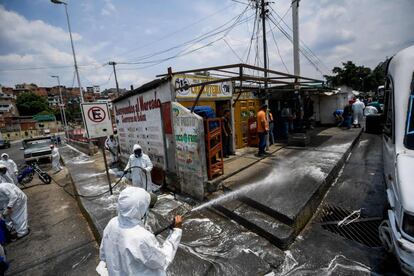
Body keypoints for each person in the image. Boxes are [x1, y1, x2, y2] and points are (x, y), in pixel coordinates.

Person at [99, 187, 182, 276]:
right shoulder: (141, 237)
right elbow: (163, 260)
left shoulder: (112, 223)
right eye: (146, 206)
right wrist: (176, 231)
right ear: (139, 209)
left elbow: (103, 255)